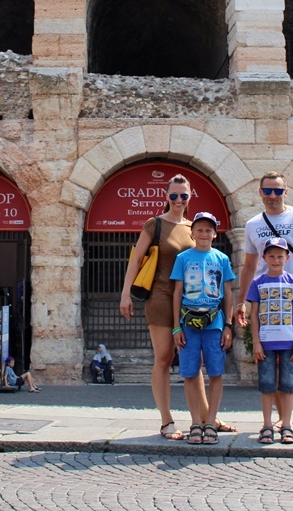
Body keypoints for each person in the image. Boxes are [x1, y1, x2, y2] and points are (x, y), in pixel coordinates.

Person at [236, 171, 293, 447]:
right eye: (268, 190)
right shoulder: (253, 224)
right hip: (265, 304)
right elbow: (249, 266)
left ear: (286, 193)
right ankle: (281, 419)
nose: (273, 195)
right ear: (260, 193)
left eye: (278, 190)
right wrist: (241, 301)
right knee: (271, 361)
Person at [118, 173, 196, 441]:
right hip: (161, 297)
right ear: (166, 196)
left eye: (183, 195)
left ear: (190, 196)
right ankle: (166, 421)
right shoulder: (155, 224)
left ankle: (204, 417)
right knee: (164, 357)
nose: (178, 199)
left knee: (193, 358)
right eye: (173, 195)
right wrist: (125, 294)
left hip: (190, 301)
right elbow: (136, 260)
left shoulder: (194, 226)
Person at [171, 211, 235, 445]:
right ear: (192, 233)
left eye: (209, 230)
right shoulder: (183, 258)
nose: (204, 233)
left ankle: (210, 422)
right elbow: (177, 292)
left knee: (216, 372)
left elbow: (228, 293)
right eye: (199, 229)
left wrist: (228, 325)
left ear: (215, 234)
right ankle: (195, 422)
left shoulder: (222, 258)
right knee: (190, 372)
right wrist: (176, 327)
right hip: (188, 322)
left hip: (214, 322)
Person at [247, 237, 293, 444]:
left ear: (287, 258)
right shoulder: (258, 283)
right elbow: (254, 315)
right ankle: (266, 425)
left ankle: (287, 425)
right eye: (271, 256)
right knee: (267, 384)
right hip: (266, 343)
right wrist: (256, 342)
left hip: (289, 342)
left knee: (288, 384)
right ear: (264, 258)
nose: (275, 260)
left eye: (280, 256)